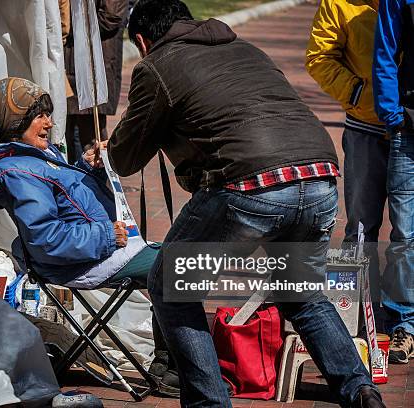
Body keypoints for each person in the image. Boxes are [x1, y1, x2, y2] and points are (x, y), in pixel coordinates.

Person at [107, 1, 384, 406]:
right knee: (302, 294)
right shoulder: (246, 48)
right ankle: (360, 391)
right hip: (320, 175)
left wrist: (113, 147)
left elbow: (125, 157)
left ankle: (210, 402)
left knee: (170, 286)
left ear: (143, 41)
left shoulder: (157, 65)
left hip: (252, 185)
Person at [0, 77, 179, 396]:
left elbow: (67, 203)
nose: (49, 123)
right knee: (180, 266)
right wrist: (106, 235)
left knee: (178, 260)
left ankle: (169, 364)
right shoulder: (19, 172)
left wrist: (89, 167)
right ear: (14, 122)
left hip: (98, 250)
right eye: (38, 115)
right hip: (82, 260)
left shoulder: (32, 159)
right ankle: (177, 367)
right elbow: (47, 239)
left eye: (47, 114)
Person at [306, 0, 387, 303]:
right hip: (366, 126)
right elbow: (319, 57)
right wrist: (359, 94)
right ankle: (354, 305)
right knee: (362, 224)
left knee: (408, 228)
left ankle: (404, 311)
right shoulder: (339, 3)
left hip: (410, 124)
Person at [372, 0, 414, 365]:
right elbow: (385, 50)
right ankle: (404, 321)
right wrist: (393, 115)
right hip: (409, 128)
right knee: (405, 235)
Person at [64, 0, 128, 163]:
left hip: (92, 65)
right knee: (69, 134)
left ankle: (95, 186)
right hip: (71, 63)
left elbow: (111, 17)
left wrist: (63, 23)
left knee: (90, 138)